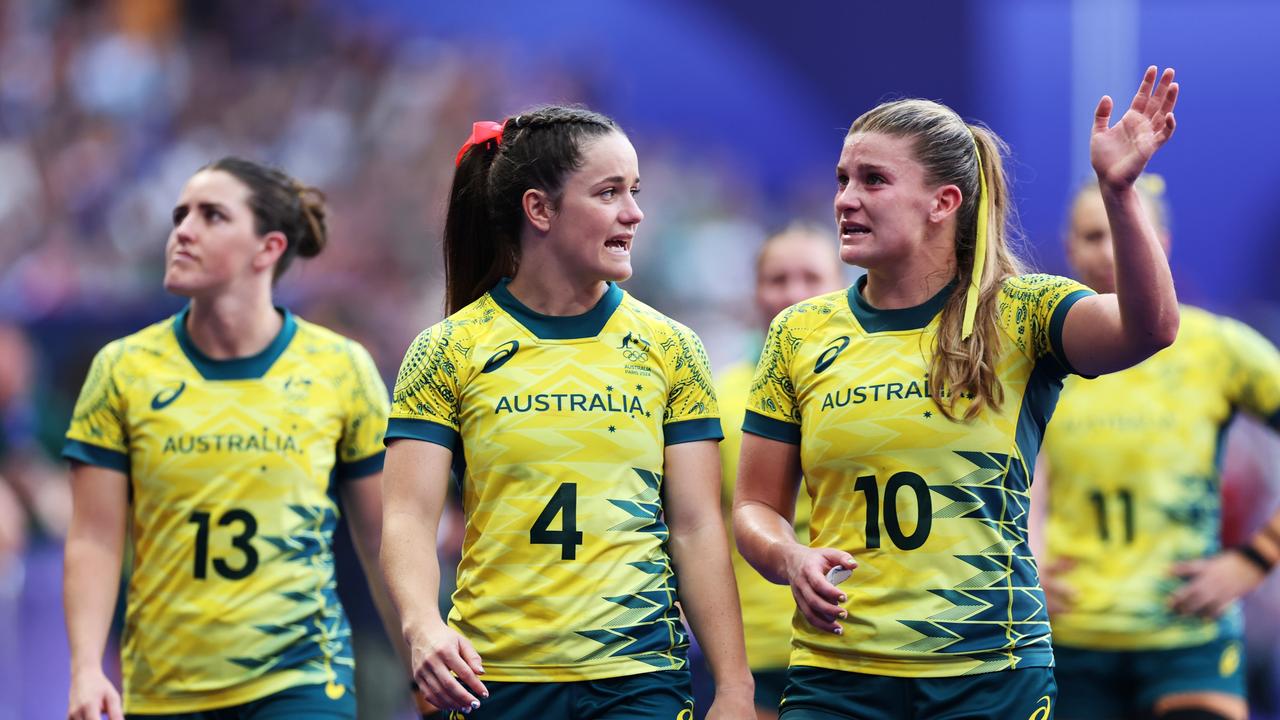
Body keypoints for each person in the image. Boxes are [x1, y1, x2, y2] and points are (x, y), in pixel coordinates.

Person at [732, 66, 1181, 719]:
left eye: (873, 180)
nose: (845, 199)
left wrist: (1119, 192)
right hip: (839, 677)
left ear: (943, 202)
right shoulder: (798, 333)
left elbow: (1152, 327)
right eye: (841, 180)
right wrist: (787, 555)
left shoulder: (1025, 312)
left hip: (990, 675)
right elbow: (754, 505)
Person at [379, 105, 755, 720]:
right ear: (540, 209)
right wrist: (423, 628)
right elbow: (408, 516)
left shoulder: (672, 348)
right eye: (609, 193)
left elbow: (695, 526)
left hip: (639, 679)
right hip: (493, 678)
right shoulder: (446, 349)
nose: (634, 214)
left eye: (635, 192)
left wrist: (735, 687)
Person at [63, 158, 398, 719]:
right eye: (180, 215)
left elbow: (383, 536)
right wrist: (84, 668)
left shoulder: (341, 368)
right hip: (164, 686)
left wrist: (422, 658)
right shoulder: (121, 371)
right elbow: (95, 540)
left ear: (267, 248)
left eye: (212, 215)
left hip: (303, 679)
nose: (183, 231)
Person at [1033, 174, 1280, 720]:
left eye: (1124, 230)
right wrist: (1022, 568)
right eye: (1093, 236)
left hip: (1188, 640)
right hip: (1069, 640)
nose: (1109, 249)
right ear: (1070, 248)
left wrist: (1253, 559)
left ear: (1160, 242)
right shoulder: (1042, 355)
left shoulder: (1218, 347)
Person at [715, 224, 846, 719]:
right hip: (755, 648)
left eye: (811, 277)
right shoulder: (717, 395)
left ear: (841, 284)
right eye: (777, 279)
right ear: (754, 292)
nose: (794, 294)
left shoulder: (877, 391)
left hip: (857, 640)